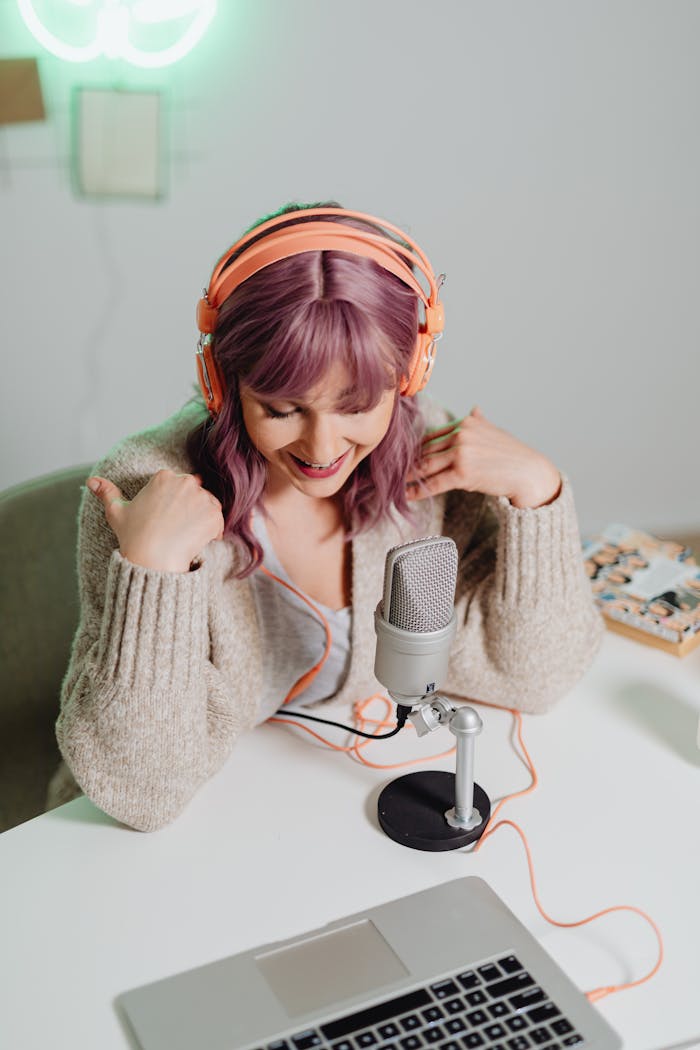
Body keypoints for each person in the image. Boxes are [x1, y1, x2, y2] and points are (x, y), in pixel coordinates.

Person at [47, 202, 603, 831]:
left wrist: (541, 493)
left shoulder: (433, 460)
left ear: (410, 376)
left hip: (326, 808)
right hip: (143, 843)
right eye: (283, 410)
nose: (321, 448)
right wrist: (152, 571)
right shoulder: (145, 493)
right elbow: (142, 791)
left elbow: (534, 678)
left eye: (358, 405)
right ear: (221, 383)